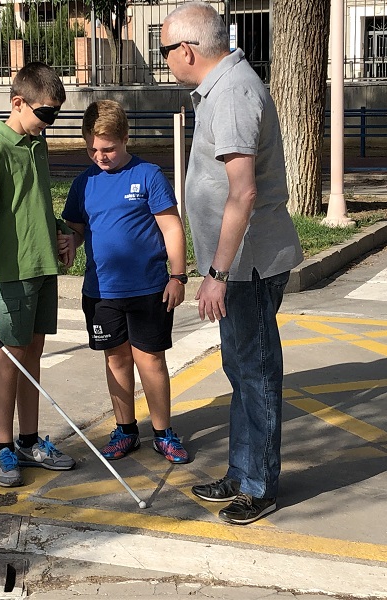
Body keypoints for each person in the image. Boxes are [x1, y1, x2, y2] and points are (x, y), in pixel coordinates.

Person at [161, 3, 303, 524]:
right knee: (242, 370)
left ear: (188, 51)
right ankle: (243, 472)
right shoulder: (222, 90)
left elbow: (242, 194)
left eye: (164, 52)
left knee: (257, 372)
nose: (166, 63)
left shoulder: (235, 94)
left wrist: (216, 274)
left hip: (249, 266)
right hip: (237, 266)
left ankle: (259, 485)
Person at [0, 62, 77, 488]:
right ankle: (3, 446)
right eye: (45, 114)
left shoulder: (35, 145)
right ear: (17, 103)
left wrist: (63, 234)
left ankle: (29, 440)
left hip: (43, 267)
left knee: (33, 353)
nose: (49, 123)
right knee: (12, 355)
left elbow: (38, 203)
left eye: (55, 116)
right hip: (14, 273)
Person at [62, 99, 190, 464]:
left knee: (149, 360)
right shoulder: (84, 182)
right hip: (101, 292)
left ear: (125, 138)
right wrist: (71, 240)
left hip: (149, 288)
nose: (100, 156)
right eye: (92, 149)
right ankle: (126, 429)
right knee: (116, 360)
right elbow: (77, 228)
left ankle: (163, 432)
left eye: (108, 149)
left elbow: (171, 227)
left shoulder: (148, 175)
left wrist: (178, 276)